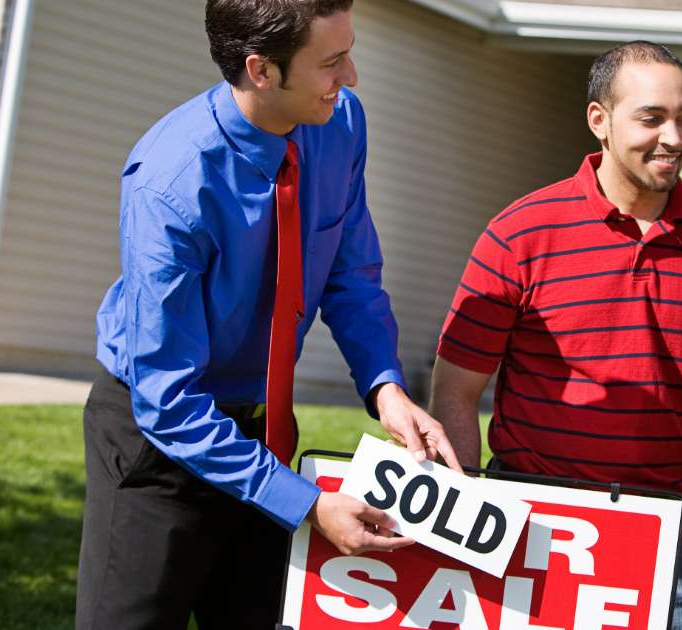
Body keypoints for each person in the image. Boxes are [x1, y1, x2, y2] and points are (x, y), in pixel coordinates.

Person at [76, 2, 458, 628]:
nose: (353, 77)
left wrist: (385, 386)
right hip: (157, 443)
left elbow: (349, 270)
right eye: (332, 62)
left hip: (264, 432)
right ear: (261, 70)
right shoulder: (171, 182)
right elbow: (167, 400)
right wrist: (308, 505)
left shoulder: (340, 123)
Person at [429, 41, 682, 628]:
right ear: (600, 122)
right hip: (533, 513)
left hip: (667, 524)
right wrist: (463, 519)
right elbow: (455, 392)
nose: (674, 137)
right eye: (651, 118)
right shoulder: (520, 232)